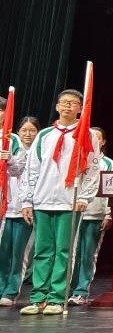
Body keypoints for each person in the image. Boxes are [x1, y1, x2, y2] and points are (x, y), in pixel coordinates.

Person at [20, 90, 101, 316]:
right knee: (42, 251)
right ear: (56, 106)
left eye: (73, 103)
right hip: (43, 200)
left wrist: (84, 196)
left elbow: (93, 168)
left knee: (64, 251)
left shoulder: (87, 135)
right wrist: (27, 200)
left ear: (80, 108)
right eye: (64, 102)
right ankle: (39, 297)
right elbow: (32, 169)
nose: (67, 106)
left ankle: (57, 297)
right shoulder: (44, 135)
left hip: (69, 202)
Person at [68, 127, 113, 305]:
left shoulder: (107, 164)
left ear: (103, 142)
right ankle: (67, 289)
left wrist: (108, 215)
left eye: (98, 138)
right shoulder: (76, 157)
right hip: (72, 213)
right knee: (71, 253)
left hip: (94, 215)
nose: (94, 140)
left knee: (87, 255)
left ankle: (81, 291)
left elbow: (112, 191)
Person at [0, 115, 39, 306]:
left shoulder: (39, 153)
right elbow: (12, 170)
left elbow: (20, 170)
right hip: (7, 208)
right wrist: (8, 160)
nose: (28, 134)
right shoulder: (13, 148)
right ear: (18, 132)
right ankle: (1, 287)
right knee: (3, 252)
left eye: (32, 130)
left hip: (26, 209)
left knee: (19, 254)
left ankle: (11, 291)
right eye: (24, 130)